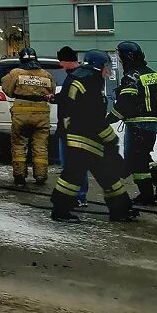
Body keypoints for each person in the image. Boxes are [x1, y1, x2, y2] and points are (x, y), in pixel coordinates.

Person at [50, 50, 138, 223]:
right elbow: (95, 117)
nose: (108, 71)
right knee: (75, 177)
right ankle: (61, 211)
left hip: (78, 136)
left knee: (105, 175)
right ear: (98, 66)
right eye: (106, 67)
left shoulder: (77, 77)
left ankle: (120, 209)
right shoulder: (91, 81)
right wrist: (111, 138)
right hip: (86, 138)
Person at [107, 41, 157, 205]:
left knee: (136, 161)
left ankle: (146, 194)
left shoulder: (131, 77)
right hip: (152, 123)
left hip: (137, 124)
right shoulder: (151, 74)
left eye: (121, 59)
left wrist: (109, 120)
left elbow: (125, 103)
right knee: (142, 155)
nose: (121, 63)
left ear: (128, 58)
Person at [1, 47, 56, 187]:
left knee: (19, 145)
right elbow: (52, 91)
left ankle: (19, 177)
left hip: (21, 115)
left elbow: (7, 89)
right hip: (42, 115)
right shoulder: (47, 75)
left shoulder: (15, 73)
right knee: (41, 146)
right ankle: (40, 176)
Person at [56, 46, 88, 207]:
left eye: (61, 62)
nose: (61, 65)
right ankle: (79, 195)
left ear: (68, 61)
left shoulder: (76, 77)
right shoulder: (81, 75)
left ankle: (75, 195)